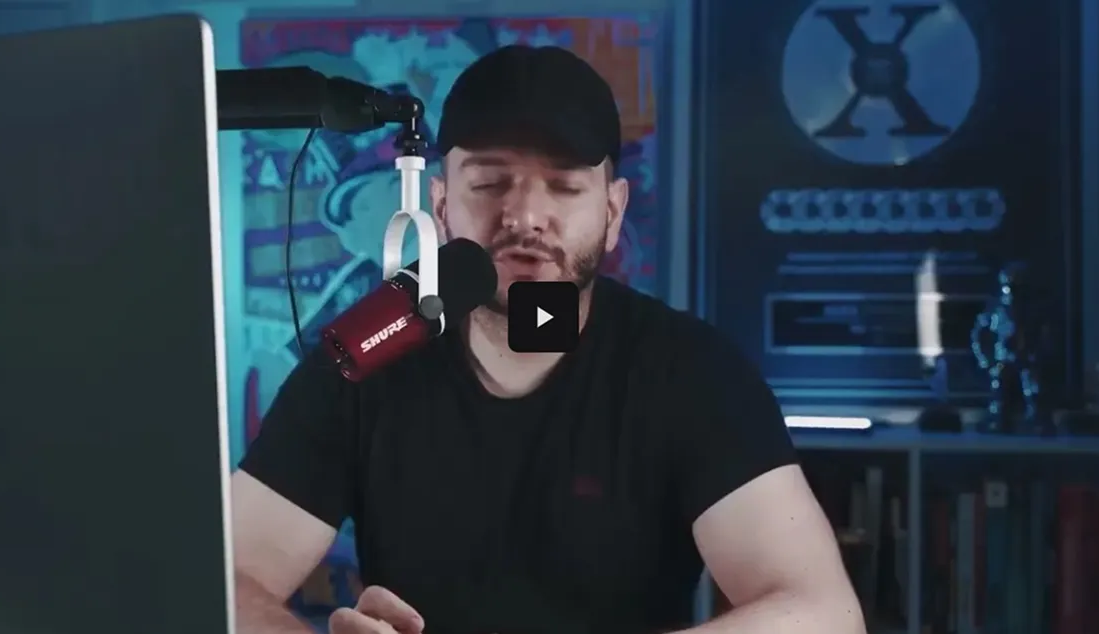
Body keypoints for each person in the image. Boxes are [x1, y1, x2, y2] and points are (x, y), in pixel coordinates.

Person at [231, 44, 863, 634]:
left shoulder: (691, 374)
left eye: (563, 186)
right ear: (441, 205)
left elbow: (824, 614)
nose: (526, 216)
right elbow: (221, 580)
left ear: (612, 213)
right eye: (490, 182)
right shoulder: (364, 356)